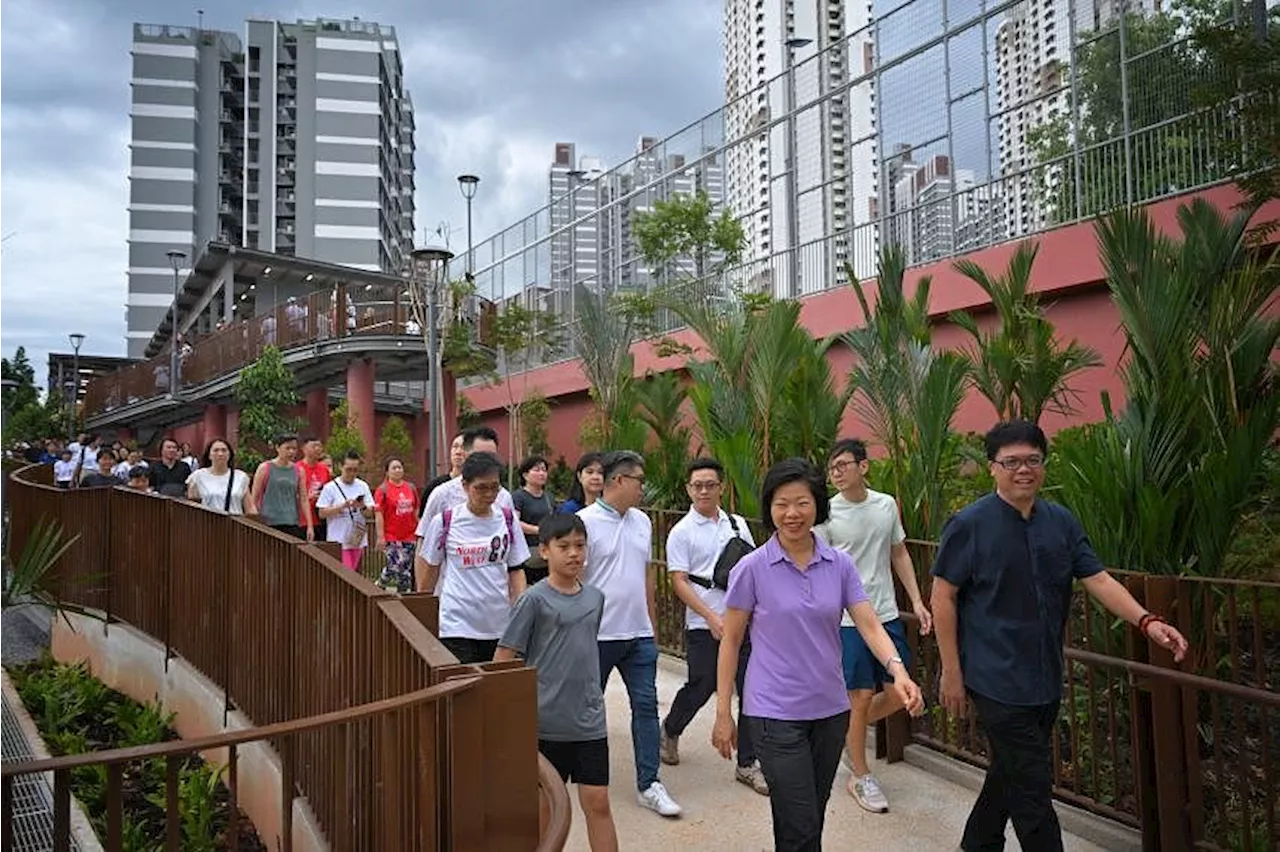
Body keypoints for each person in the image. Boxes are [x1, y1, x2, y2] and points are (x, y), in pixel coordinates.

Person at [930, 420, 1189, 852]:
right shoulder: (969, 524)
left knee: (1009, 772)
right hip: (994, 677)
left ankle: (978, 843)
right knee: (1033, 792)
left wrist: (1147, 621)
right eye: (1011, 462)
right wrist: (951, 672)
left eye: (1032, 460)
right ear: (992, 468)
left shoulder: (1060, 522)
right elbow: (943, 597)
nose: (1023, 470)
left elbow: (1099, 579)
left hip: (1044, 675)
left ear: (1044, 466)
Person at [712, 458, 925, 852]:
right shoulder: (752, 568)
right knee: (803, 818)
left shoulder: (839, 564)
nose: (792, 513)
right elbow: (731, 640)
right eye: (781, 504)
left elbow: (869, 623)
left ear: (817, 507)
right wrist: (724, 711)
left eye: (802, 503)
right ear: (769, 509)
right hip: (774, 712)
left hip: (829, 710)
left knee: (804, 816)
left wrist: (898, 671)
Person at [814, 438, 930, 813]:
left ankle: (846, 729)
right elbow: (818, 569)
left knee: (900, 691)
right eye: (832, 467)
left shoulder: (885, 505)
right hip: (846, 619)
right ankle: (860, 774)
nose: (837, 472)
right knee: (860, 695)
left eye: (843, 464)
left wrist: (916, 600)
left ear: (863, 467)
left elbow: (898, 552)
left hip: (886, 613)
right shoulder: (826, 513)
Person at [495, 514, 619, 852]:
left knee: (598, 803)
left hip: (589, 722)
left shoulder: (595, 598)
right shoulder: (533, 600)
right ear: (545, 551)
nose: (574, 554)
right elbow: (505, 655)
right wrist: (507, 717)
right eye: (563, 546)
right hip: (545, 723)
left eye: (580, 546)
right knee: (546, 810)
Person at [579, 450, 682, 818]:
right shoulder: (583, 522)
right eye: (639, 480)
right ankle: (582, 778)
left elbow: (645, 577)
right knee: (589, 708)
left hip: (638, 636)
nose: (643, 487)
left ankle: (649, 783)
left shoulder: (642, 521)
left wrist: (651, 626)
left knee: (645, 707)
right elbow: (573, 580)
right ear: (618, 481)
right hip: (597, 635)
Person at [659, 458, 767, 795]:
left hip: (743, 622)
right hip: (703, 623)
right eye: (697, 485)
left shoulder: (736, 524)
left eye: (710, 484)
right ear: (689, 489)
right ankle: (671, 729)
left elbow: (751, 567)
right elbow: (679, 581)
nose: (704, 490)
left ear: (721, 487)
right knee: (702, 684)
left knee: (750, 690)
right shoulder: (682, 532)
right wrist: (709, 616)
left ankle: (748, 763)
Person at [418, 452, 529, 662]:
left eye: (494, 487)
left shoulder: (507, 520)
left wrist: (521, 607)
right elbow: (430, 573)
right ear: (465, 486)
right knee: (463, 687)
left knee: (494, 688)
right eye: (481, 487)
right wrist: (423, 614)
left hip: (498, 623)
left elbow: (515, 568)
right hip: (456, 623)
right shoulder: (444, 522)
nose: (488, 494)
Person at [419, 427, 514, 527]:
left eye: (491, 456)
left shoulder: (504, 497)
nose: (486, 461)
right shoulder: (442, 494)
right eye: (480, 455)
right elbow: (425, 535)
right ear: (464, 455)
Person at [317, 450, 376, 572]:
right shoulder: (330, 487)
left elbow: (370, 512)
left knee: (354, 571)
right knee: (345, 572)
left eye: (355, 470)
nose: (352, 473)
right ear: (341, 467)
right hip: (338, 538)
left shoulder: (362, 486)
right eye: (349, 469)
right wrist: (342, 506)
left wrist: (362, 506)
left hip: (356, 536)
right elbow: (322, 513)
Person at [251, 435, 315, 541]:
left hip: (291, 521)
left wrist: (309, 525)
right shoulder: (265, 468)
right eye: (288, 448)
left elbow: (304, 499)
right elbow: (254, 497)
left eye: (294, 449)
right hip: (268, 521)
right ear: (278, 448)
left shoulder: (299, 471)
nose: (291, 452)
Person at [374, 457, 420, 592]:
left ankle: (402, 593)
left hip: (409, 534)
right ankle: (379, 585)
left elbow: (416, 508)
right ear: (387, 472)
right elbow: (379, 513)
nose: (398, 470)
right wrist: (381, 536)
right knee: (394, 565)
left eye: (400, 467)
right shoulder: (382, 490)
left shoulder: (410, 487)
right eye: (394, 468)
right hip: (392, 535)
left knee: (405, 567)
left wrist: (419, 527)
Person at [512, 455, 556, 585]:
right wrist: (538, 530)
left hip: (548, 551)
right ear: (525, 475)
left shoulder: (549, 497)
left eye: (544, 470)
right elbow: (515, 523)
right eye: (537, 470)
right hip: (527, 552)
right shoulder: (518, 497)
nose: (542, 473)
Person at [186, 438, 256, 515]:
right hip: (207, 523)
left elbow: (249, 507)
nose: (220, 454)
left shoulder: (241, 477)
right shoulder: (198, 476)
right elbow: (192, 506)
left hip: (234, 524)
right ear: (209, 455)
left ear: (229, 454)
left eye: (224, 450)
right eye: (216, 450)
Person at [297, 436, 333, 541]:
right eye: (314, 446)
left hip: (321, 519)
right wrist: (308, 496)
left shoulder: (324, 470)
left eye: (319, 446)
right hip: (302, 520)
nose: (317, 449)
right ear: (304, 449)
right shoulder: (297, 468)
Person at [421, 433, 466, 508]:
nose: (458, 452)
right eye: (455, 446)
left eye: (464, 447)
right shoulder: (435, 486)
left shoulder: (480, 487)